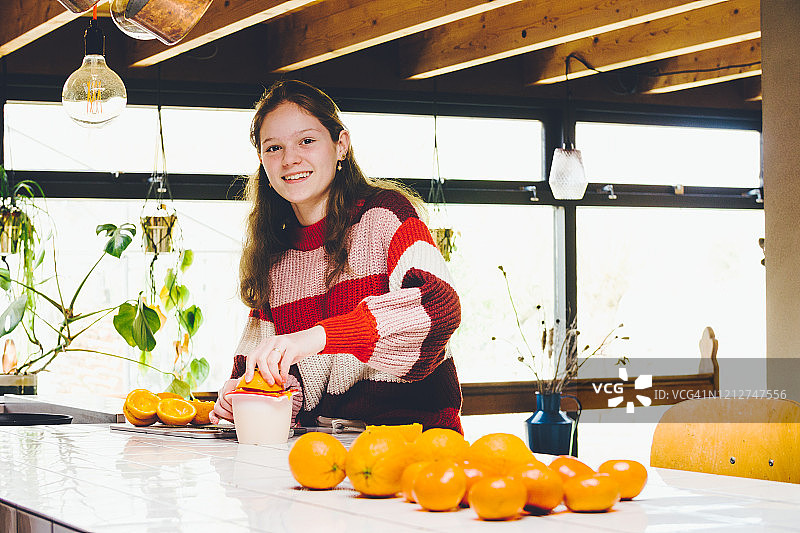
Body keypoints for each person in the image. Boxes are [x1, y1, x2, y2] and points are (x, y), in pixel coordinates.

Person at [209, 80, 463, 432]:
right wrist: (243, 398)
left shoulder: (385, 215)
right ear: (262, 161)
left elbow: (439, 306)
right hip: (323, 448)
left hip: (415, 442)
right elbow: (266, 381)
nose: (290, 159)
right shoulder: (274, 258)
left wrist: (315, 337)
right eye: (274, 148)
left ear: (341, 145)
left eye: (306, 141)